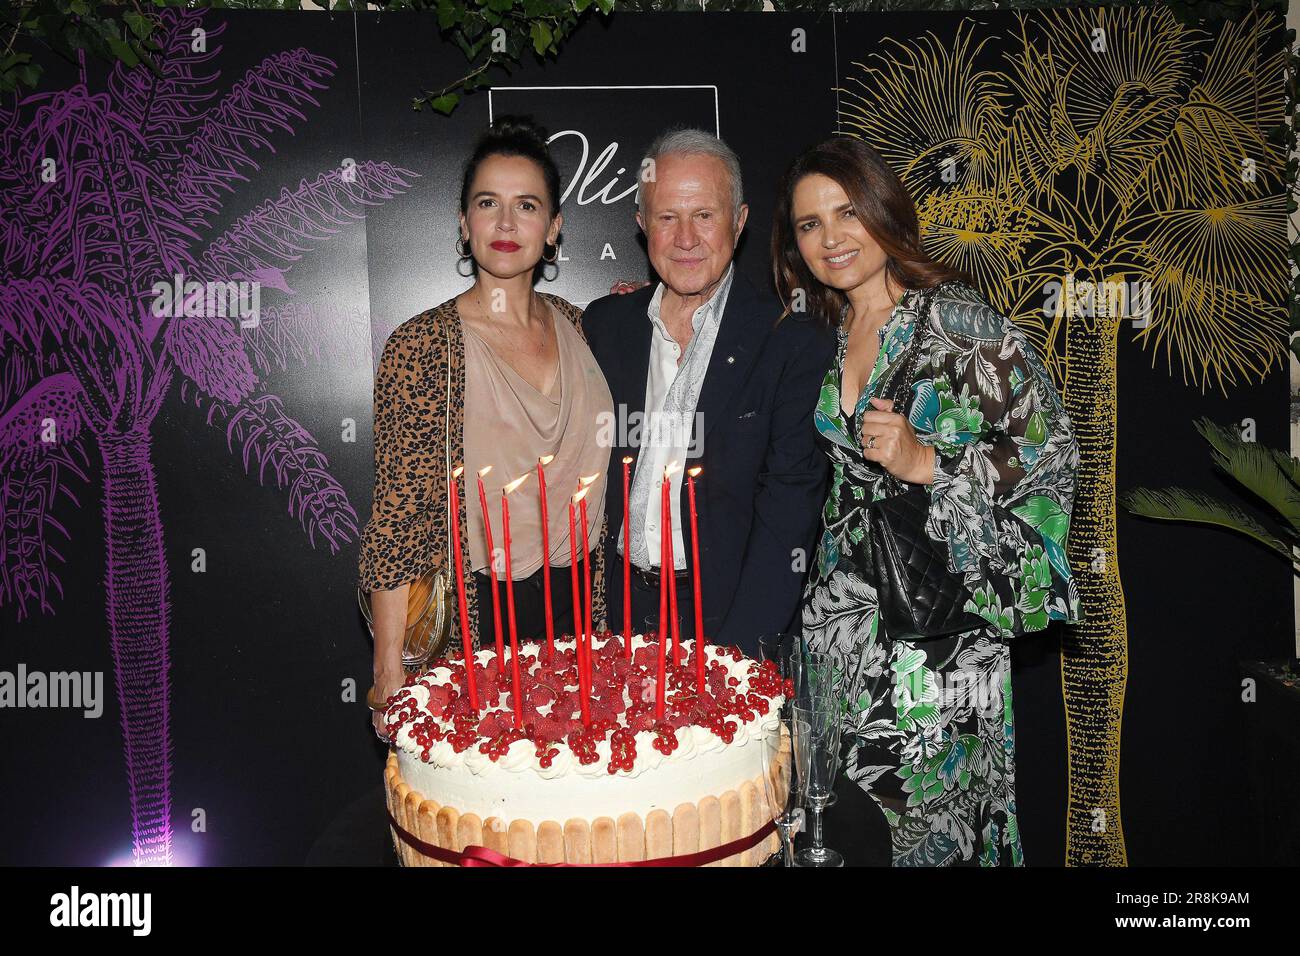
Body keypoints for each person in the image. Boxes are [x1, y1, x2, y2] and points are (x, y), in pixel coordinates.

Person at [774, 134, 1082, 866]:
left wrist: (929, 463)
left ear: (884, 211)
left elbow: (1052, 454)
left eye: (846, 213)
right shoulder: (830, 325)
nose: (830, 239)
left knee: (928, 831)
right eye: (809, 225)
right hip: (837, 634)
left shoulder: (957, 323)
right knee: (839, 831)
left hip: (935, 643)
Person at [358, 116, 613, 737]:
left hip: (586, 620)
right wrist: (389, 667)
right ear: (463, 221)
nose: (505, 224)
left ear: (553, 229)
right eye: (487, 204)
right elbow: (400, 514)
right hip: (479, 628)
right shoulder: (422, 346)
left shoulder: (594, 332)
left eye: (526, 206)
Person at [582, 129, 833, 658]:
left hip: (729, 622)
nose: (686, 238)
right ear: (642, 225)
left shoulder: (789, 341)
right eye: (667, 217)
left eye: (705, 215)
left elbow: (788, 512)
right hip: (614, 624)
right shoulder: (605, 327)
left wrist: (735, 659)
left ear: (739, 223)